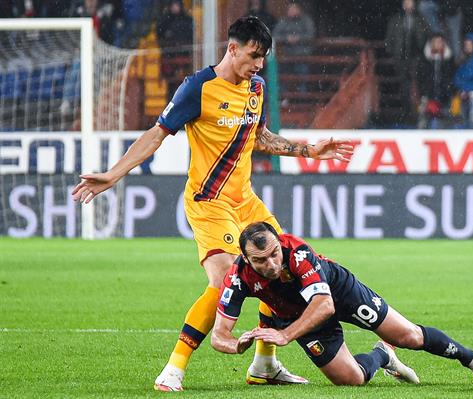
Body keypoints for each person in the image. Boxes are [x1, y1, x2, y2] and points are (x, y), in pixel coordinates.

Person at [71, 16, 354, 392]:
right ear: (232, 48)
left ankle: (264, 364)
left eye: (264, 57)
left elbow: (259, 136)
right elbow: (156, 135)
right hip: (209, 202)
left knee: (277, 268)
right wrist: (113, 174)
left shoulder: (256, 87)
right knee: (224, 282)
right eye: (254, 55)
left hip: (246, 200)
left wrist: (306, 150)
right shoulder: (197, 88)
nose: (258, 64)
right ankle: (174, 367)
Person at [211, 222, 473, 386]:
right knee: (350, 380)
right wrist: (236, 345)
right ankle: (383, 356)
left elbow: (324, 304)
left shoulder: (297, 251)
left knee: (407, 336)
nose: (271, 264)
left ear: (279, 243)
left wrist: (284, 335)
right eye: (260, 260)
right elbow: (218, 336)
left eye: (273, 254)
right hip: (299, 317)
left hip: (339, 293)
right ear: (246, 259)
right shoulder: (237, 277)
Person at [385, 0, 430, 122]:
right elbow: (390, 37)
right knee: (404, 84)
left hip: (415, 56)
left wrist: (420, 47)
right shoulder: (396, 19)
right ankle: (406, 111)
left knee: (417, 83)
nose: (408, 5)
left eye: (410, 3)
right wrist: (392, 51)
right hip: (400, 56)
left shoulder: (420, 19)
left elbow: (425, 35)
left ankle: (418, 113)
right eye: (406, 2)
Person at [272, 2, 315, 93]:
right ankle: (285, 100)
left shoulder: (306, 21)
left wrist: (299, 38)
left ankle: (302, 100)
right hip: (288, 56)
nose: (291, 11)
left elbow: (311, 35)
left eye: (294, 9)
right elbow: (275, 36)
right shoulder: (284, 21)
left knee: (302, 80)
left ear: (299, 10)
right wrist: (287, 39)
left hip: (302, 56)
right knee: (284, 79)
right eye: (290, 9)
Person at [156, 0, 194, 100]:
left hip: (185, 58)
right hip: (170, 58)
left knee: (186, 84)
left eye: (177, 4)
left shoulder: (187, 20)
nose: (175, 7)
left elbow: (191, 36)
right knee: (171, 87)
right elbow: (159, 37)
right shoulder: (164, 21)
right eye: (173, 5)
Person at [416, 33, 455, 128]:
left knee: (444, 124)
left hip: (444, 97)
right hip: (427, 97)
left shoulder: (449, 60)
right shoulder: (424, 59)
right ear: (431, 44)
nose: (438, 44)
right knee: (423, 123)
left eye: (440, 42)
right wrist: (424, 94)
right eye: (436, 42)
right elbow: (420, 78)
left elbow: (452, 77)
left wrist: (449, 91)